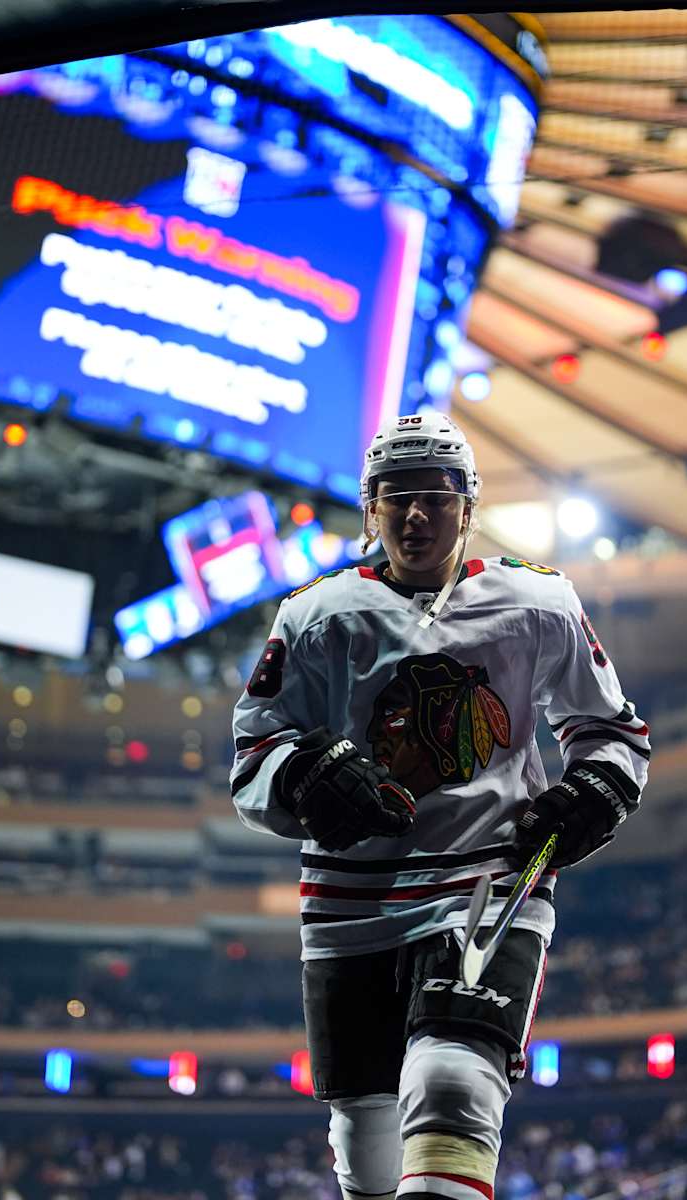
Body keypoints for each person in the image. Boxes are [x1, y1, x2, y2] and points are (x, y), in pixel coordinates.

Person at [231, 411, 651, 1200]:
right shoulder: (316, 617)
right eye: (398, 497)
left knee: (454, 1080)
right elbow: (253, 754)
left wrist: (592, 793)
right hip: (349, 906)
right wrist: (306, 777)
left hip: (488, 889)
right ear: (371, 508)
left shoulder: (540, 603)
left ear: (468, 505)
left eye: (435, 495)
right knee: (367, 1145)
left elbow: (612, 732)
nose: (416, 513)